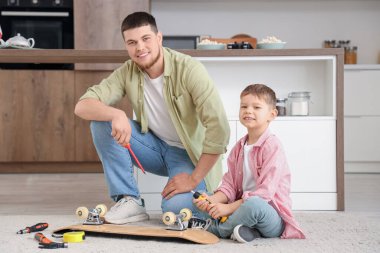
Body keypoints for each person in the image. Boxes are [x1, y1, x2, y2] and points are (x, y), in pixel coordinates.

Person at [74, 12, 230, 224]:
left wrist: (194, 178)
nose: (140, 48)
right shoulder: (127, 71)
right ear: (126, 46)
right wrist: (116, 113)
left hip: (189, 155)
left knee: (176, 212)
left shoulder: (190, 69)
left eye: (146, 39)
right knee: (101, 122)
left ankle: (217, 198)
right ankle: (129, 200)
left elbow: (219, 129)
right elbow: (83, 105)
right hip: (154, 148)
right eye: (132, 42)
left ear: (159, 38)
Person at [193, 84, 305, 242]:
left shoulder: (273, 147)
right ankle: (244, 231)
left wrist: (228, 208)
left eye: (257, 107)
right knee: (205, 199)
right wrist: (214, 200)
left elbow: (264, 194)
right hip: (242, 209)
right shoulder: (239, 148)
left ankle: (216, 229)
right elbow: (230, 185)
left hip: (269, 215)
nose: (248, 111)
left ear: (272, 115)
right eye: (244, 106)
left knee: (254, 205)